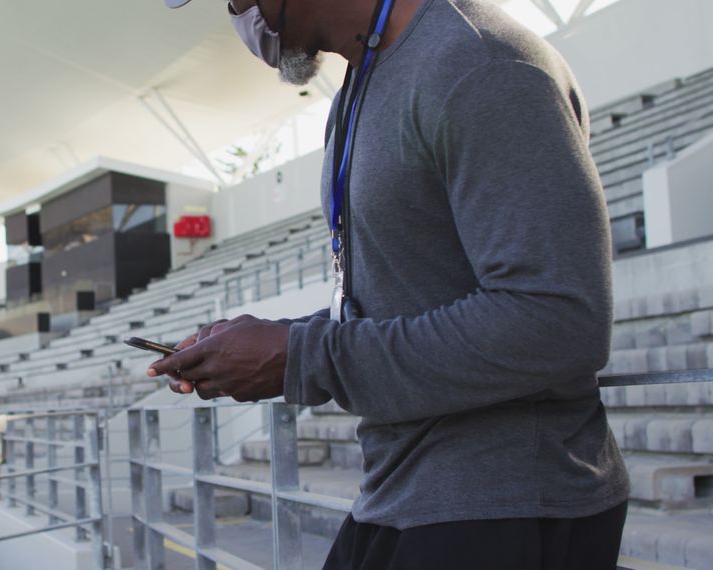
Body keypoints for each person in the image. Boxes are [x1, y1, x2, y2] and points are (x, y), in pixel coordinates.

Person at [153, 0, 629, 568]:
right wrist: (273, 344)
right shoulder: (362, 84)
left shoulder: (483, 63)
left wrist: (303, 354)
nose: (236, 15)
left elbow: (557, 322)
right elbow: (402, 300)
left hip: (505, 504)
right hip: (404, 490)